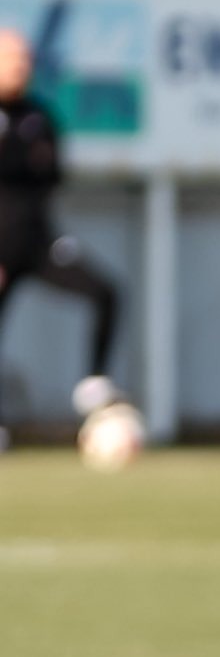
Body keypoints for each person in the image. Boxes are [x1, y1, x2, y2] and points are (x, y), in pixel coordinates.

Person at [0, 25, 125, 444]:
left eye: (26, 59)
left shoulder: (40, 117)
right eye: (13, 59)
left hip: (36, 245)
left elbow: (50, 175)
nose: (23, 67)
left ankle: (94, 383)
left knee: (106, 291)